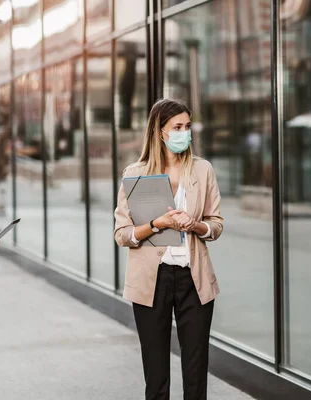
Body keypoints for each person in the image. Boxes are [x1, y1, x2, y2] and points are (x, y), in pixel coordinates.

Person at [114, 99, 223, 400]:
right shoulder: (135, 173)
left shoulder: (202, 170)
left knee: (196, 372)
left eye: (187, 127)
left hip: (194, 281)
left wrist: (196, 225)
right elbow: (122, 234)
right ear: (159, 132)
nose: (184, 133)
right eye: (177, 127)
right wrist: (157, 224)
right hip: (152, 282)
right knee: (156, 376)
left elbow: (216, 225)